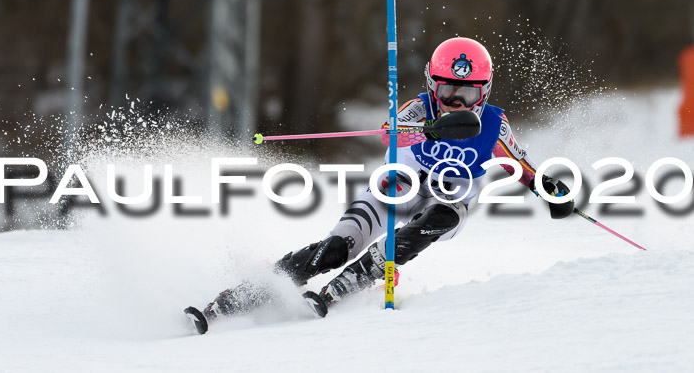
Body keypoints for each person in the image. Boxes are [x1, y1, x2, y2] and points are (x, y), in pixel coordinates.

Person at [198, 37, 574, 327]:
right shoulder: (419, 108)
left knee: (442, 217)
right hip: (397, 187)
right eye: (447, 92)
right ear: (432, 85)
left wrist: (554, 192)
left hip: (445, 200)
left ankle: (358, 277)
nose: (456, 102)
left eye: (468, 94)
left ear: (485, 90)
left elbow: (523, 168)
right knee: (336, 247)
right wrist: (429, 130)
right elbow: (388, 135)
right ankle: (246, 294)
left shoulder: (494, 126)